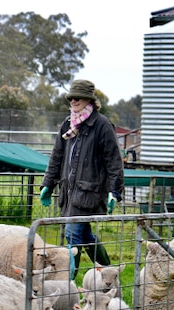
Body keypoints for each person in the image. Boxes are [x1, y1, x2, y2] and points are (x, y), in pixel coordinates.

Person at [40, 79, 124, 279]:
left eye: (78, 97)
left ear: (89, 100)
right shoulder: (68, 124)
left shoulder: (102, 125)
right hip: (69, 193)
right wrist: (48, 184)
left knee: (72, 235)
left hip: (88, 193)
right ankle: (109, 272)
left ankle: (67, 284)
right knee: (85, 236)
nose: (73, 100)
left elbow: (114, 161)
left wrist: (115, 192)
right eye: (71, 98)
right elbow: (57, 157)